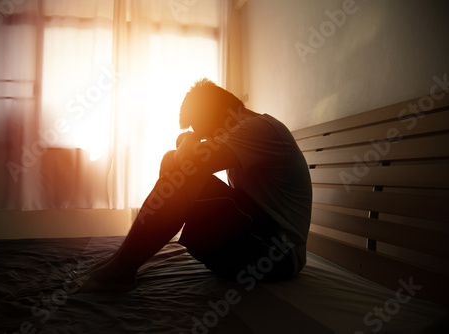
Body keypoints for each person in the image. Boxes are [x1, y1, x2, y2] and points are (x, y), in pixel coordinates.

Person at [75, 78, 312, 292]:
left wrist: (186, 141)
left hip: (277, 256)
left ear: (225, 112)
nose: (206, 139)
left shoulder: (260, 129)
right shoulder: (248, 134)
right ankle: (121, 262)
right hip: (257, 245)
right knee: (183, 167)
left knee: (187, 171)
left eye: (206, 132)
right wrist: (179, 152)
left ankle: (120, 269)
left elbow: (189, 162)